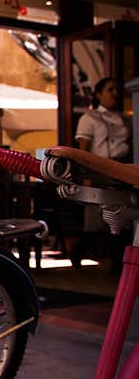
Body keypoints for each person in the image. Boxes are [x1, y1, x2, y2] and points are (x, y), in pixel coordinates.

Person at [72, 76, 133, 273]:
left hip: (122, 170)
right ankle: (79, 250)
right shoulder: (89, 118)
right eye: (109, 89)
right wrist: (86, 175)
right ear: (98, 94)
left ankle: (118, 262)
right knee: (97, 219)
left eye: (116, 89)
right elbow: (84, 149)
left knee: (122, 214)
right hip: (100, 170)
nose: (115, 93)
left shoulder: (124, 118)